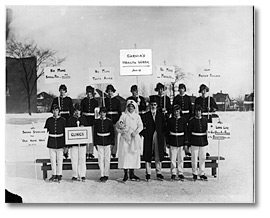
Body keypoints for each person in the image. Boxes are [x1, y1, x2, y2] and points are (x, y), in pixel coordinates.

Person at [116, 99, 143, 182]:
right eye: (129, 107)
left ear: (134, 107)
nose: (130, 108)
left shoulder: (137, 116)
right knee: (125, 155)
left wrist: (136, 132)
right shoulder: (123, 116)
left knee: (133, 155)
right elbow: (118, 126)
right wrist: (122, 132)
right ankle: (125, 174)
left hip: (134, 138)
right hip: (125, 139)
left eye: (132, 107)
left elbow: (140, 126)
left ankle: (132, 173)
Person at [141, 96, 166, 181]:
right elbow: (141, 127)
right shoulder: (145, 115)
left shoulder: (161, 115)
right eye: (151, 104)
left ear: (157, 106)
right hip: (149, 137)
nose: (153, 106)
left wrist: (161, 135)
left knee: (158, 154)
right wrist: (145, 134)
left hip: (158, 137)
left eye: (155, 105)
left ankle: (158, 173)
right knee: (148, 154)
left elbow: (164, 127)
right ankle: (148, 173)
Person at [44, 104, 66, 182]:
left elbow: (65, 132)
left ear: (59, 111)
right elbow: (44, 131)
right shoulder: (49, 120)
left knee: (60, 159)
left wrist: (65, 145)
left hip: (60, 141)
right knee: (52, 160)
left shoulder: (63, 120)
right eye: (53, 110)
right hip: (51, 141)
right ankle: (54, 174)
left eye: (56, 110)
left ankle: (59, 174)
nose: (55, 112)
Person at [195, 84, 218, 157]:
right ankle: (199, 151)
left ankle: (207, 150)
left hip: (208, 118)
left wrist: (210, 109)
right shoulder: (197, 100)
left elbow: (216, 108)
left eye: (205, 90)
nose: (203, 92)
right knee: (200, 133)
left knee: (207, 135)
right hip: (200, 118)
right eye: (202, 90)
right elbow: (195, 109)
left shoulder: (210, 99)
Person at [50, 84, 73, 159]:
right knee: (60, 134)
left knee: (66, 135)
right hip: (59, 118)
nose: (62, 91)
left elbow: (71, 110)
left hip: (66, 118)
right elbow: (51, 110)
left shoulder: (69, 99)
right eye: (60, 90)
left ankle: (66, 151)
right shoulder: (56, 99)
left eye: (63, 90)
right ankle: (59, 151)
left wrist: (70, 119)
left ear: (65, 91)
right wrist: (57, 111)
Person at [166, 104, 188, 181]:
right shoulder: (170, 120)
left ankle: (180, 172)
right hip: (172, 141)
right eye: (175, 111)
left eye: (178, 111)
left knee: (181, 158)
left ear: (180, 111)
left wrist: (185, 143)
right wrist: (167, 142)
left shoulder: (183, 120)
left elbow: (186, 132)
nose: (176, 112)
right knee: (172, 158)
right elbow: (167, 132)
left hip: (181, 141)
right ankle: (173, 173)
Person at [67, 103, 88, 182]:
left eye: (78, 110)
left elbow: (87, 131)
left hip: (82, 144)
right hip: (74, 144)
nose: (77, 112)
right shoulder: (70, 119)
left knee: (82, 159)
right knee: (74, 160)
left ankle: (82, 175)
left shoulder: (84, 119)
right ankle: (75, 175)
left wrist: (83, 128)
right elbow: (68, 131)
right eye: (75, 110)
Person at [150, 83, 171, 158]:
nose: (160, 91)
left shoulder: (167, 99)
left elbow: (170, 109)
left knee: (164, 135)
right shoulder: (155, 98)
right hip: (156, 118)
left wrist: (166, 111)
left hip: (164, 119)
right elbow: (152, 107)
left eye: (162, 89)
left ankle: (164, 150)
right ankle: (153, 150)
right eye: (159, 89)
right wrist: (159, 110)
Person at [93, 107, 115, 182]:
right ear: (99, 113)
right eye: (101, 112)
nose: (102, 114)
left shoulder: (109, 121)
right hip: (99, 141)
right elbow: (94, 133)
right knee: (100, 159)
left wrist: (112, 143)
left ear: (106, 113)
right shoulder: (96, 122)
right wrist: (95, 143)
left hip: (107, 141)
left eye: (104, 112)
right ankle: (102, 174)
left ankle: (106, 174)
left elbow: (112, 133)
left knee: (107, 159)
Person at [188, 105, 208, 181]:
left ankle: (202, 173)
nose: (198, 113)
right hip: (194, 141)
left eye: (199, 111)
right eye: (196, 111)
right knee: (194, 158)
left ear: (201, 112)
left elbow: (210, 129)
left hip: (203, 141)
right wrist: (189, 143)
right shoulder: (191, 120)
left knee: (203, 157)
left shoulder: (205, 120)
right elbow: (189, 132)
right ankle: (194, 173)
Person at [173, 83, 193, 157]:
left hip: (187, 117)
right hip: (179, 117)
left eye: (183, 88)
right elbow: (174, 108)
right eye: (180, 88)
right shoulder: (176, 98)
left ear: (184, 89)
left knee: (187, 132)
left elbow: (191, 109)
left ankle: (187, 149)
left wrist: (190, 118)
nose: (181, 90)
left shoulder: (187, 98)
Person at [81, 85, 99, 159]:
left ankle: (91, 152)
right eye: (88, 92)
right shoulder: (83, 101)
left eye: (90, 92)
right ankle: (85, 152)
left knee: (91, 137)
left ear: (92, 93)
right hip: (85, 120)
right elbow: (82, 111)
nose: (89, 94)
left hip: (92, 120)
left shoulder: (95, 101)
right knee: (85, 137)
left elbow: (97, 112)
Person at [104, 84, 122, 158]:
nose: (110, 92)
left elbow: (119, 111)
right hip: (108, 121)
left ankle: (114, 152)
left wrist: (119, 121)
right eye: (108, 91)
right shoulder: (105, 100)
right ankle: (108, 151)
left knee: (115, 137)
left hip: (115, 120)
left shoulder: (117, 100)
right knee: (108, 136)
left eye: (111, 91)